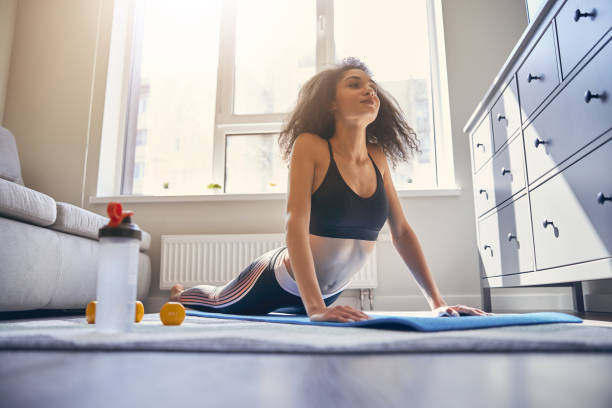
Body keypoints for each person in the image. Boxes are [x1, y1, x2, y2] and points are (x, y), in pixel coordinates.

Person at [170, 57, 493, 322]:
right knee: (214, 300)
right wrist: (314, 308)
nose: (369, 92)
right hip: (276, 281)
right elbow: (294, 224)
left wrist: (437, 302)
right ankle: (180, 294)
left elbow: (402, 232)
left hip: (329, 292)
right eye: (355, 84)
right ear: (330, 104)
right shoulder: (311, 146)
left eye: (372, 88)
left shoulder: (378, 157)